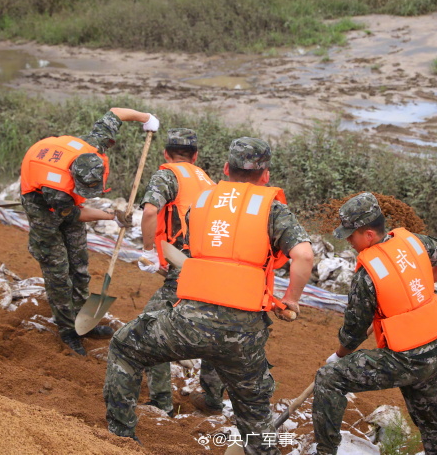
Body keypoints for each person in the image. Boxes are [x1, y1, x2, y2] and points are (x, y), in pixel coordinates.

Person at [104, 137, 314, 453]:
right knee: (254, 411)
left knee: (124, 347)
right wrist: (292, 299)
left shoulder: (202, 201)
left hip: (189, 320)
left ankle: (120, 439)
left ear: (226, 169)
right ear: (266, 175)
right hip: (243, 331)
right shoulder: (273, 207)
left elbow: (200, 249)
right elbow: (304, 256)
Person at [312, 192, 437, 455]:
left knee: (329, 378)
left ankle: (325, 451)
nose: (348, 240)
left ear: (368, 234)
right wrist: (415, 289)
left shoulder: (367, 274)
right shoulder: (414, 243)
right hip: (435, 351)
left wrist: (338, 356)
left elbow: (353, 333)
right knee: (432, 421)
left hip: (405, 359)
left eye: (351, 234)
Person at [20, 107, 159, 355]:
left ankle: (82, 318)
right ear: (74, 178)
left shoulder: (94, 146)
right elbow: (76, 214)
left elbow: (115, 113)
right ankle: (67, 330)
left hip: (63, 197)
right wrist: (110, 216)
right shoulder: (57, 190)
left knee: (79, 265)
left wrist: (146, 119)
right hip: (41, 203)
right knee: (59, 271)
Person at [137, 127, 220, 416]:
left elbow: (149, 212)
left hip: (184, 270)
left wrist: (148, 251)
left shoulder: (167, 174)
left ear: (165, 153)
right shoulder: (208, 181)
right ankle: (212, 398)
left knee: (149, 328)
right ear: (196, 156)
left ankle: (161, 401)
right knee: (218, 328)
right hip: (213, 267)